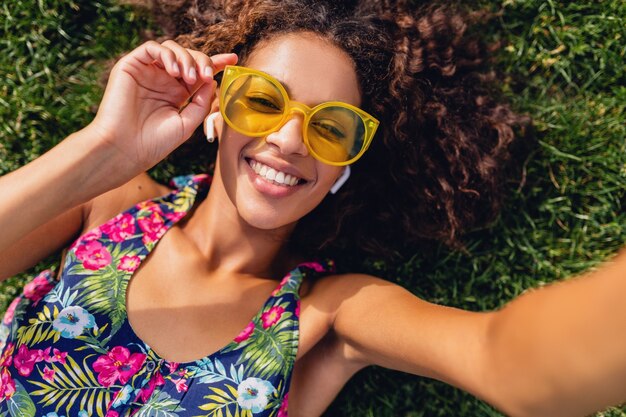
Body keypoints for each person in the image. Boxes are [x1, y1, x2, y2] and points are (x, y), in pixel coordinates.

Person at [0, 0, 624, 416]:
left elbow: (506, 358)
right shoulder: (107, 203)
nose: (289, 140)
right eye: (264, 101)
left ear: (349, 163)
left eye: (332, 127)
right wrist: (102, 147)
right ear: (219, 105)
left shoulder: (327, 315)